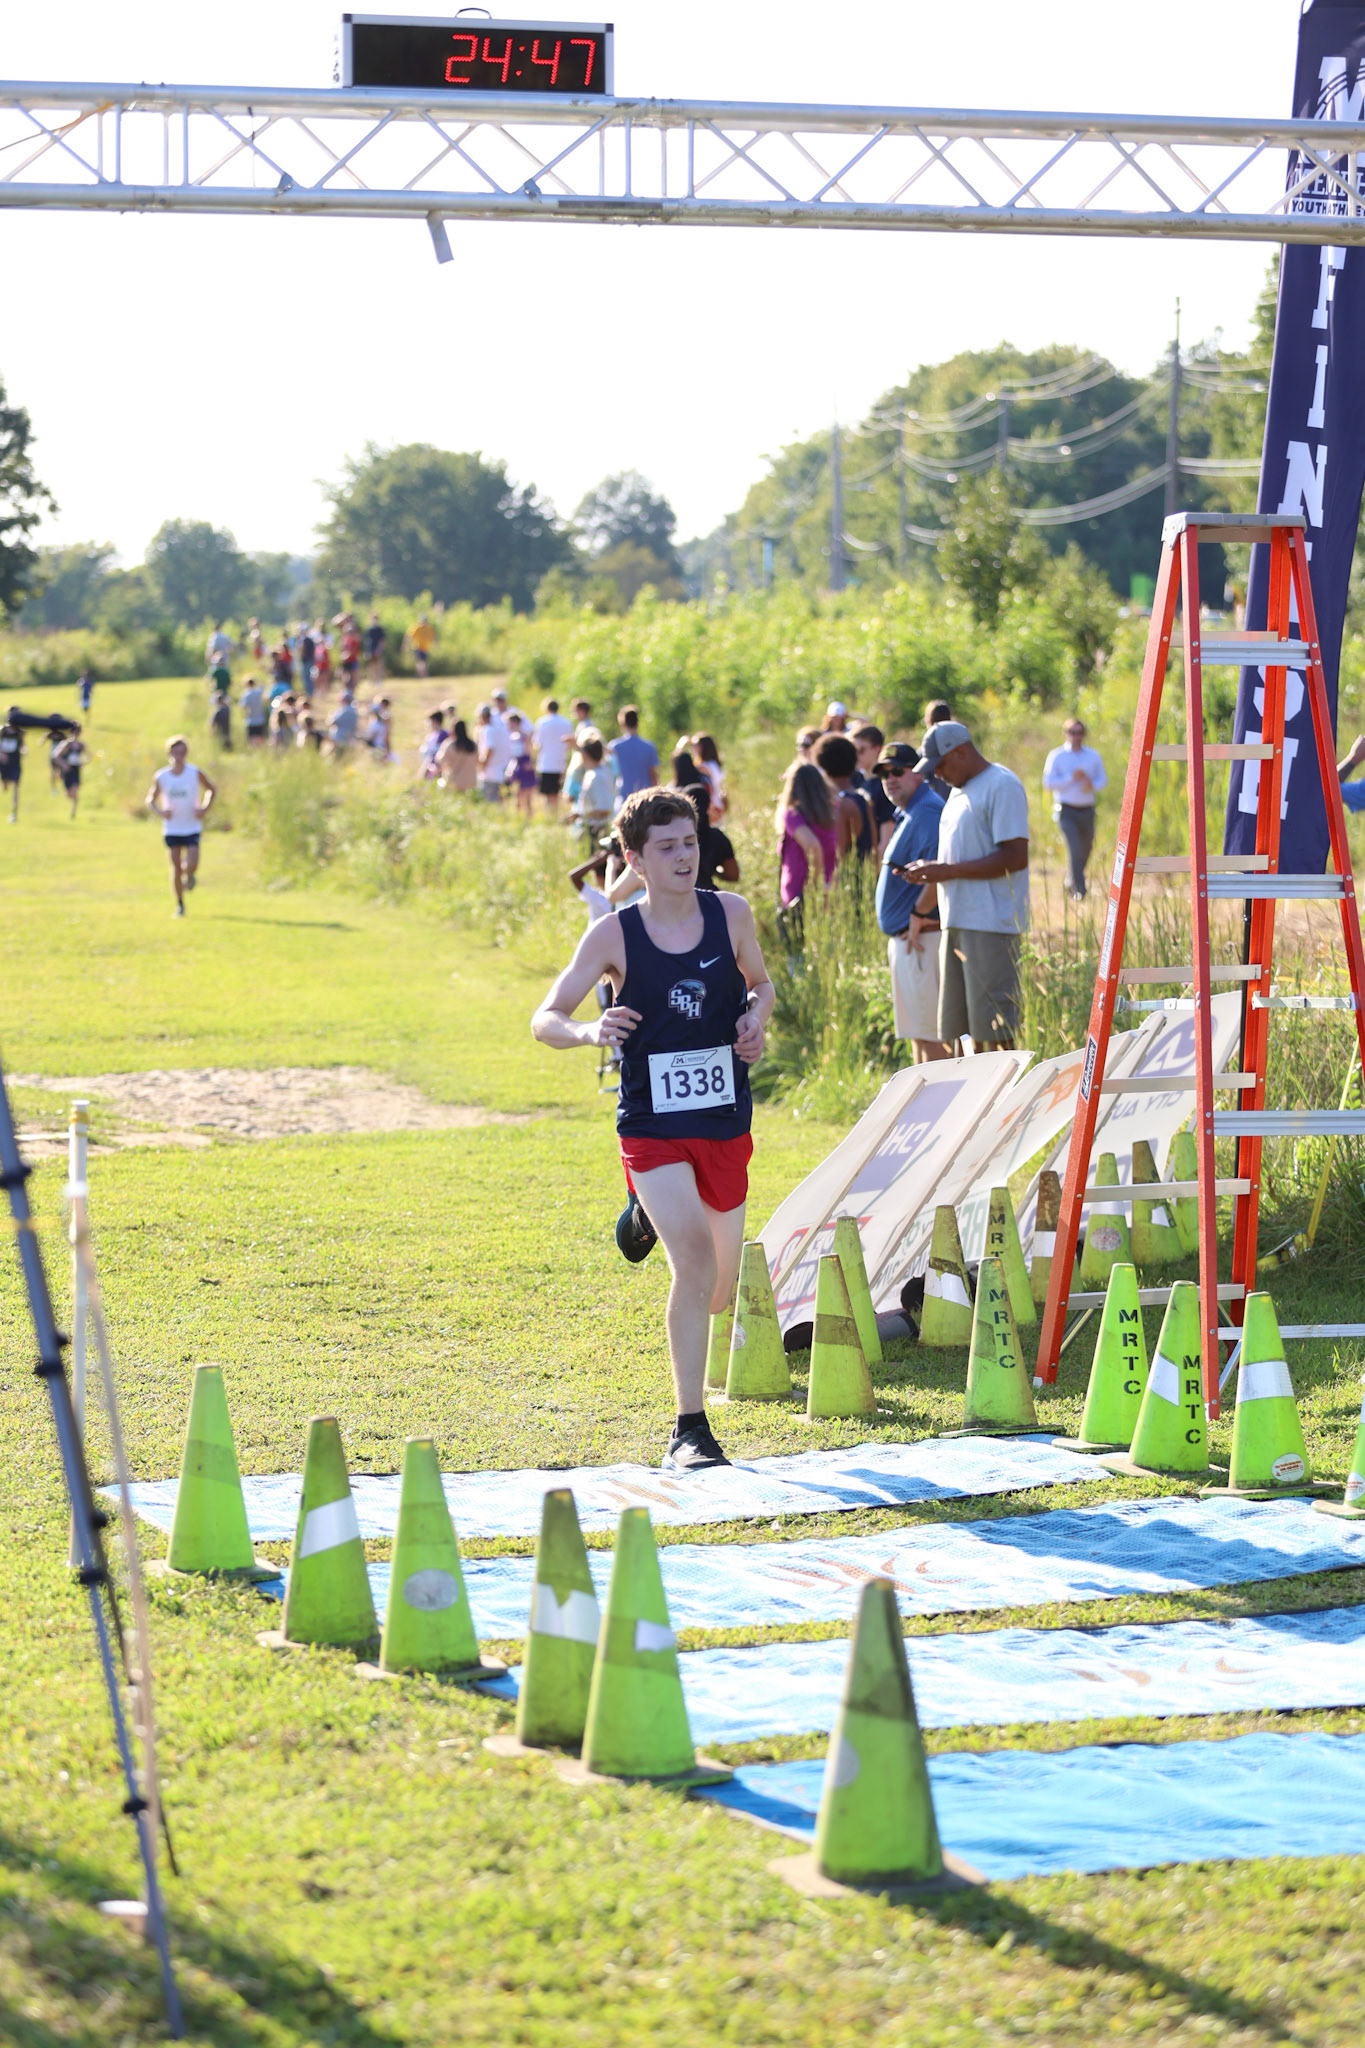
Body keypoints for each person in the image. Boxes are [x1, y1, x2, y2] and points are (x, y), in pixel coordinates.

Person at [531, 787, 775, 1473]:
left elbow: (760, 983)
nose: (683, 857)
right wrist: (587, 1029)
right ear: (634, 860)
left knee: (720, 1292)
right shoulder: (613, 932)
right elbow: (544, 1017)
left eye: (690, 843)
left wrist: (755, 1018)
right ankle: (689, 1429)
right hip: (651, 1125)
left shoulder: (730, 913)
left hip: (724, 1120)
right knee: (692, 1265)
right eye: (666, 848)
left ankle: (643, 1213)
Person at [897, 720, 1029, 1053]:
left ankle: (1003, 1103)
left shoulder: (1002, 785)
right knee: (960, 1034)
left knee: (994, 1031)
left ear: (961, 751)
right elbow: (957, 860)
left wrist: (947, 870)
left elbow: (1015, 856)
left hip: (990, 926)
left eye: (939, 764)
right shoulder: (957, 793)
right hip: (957, 924)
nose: (936, 774)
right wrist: (932, 872)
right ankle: (973, 1103)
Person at [873, 742, 950, 1062]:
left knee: (932, 1039)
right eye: (883, 773)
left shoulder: (927, 811)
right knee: (918, 1037)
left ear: (917, 772)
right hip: (911, 939)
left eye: (897, 771)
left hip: (921, 938)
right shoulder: (911, 812)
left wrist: (918, 914)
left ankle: (950, 1111)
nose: (889, 779)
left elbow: (938, 867)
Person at [146, 736, 216, 916]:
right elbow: (150, 800)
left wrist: (204, 808)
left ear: (186, 753)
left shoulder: (194, 772)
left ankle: (190, 875)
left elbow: (211, 789)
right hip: (172, 827)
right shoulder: (161, 776)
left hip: (192, 826)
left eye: (182, 752)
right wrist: (161, 812)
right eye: (175, 752)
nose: (179, 756)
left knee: (191, 864)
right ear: (169, 753)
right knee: (175, 867)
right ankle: (180, 904)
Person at [1043, 718, 1107, 900]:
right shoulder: (1057, 756)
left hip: (1087, 809)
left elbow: (1102, 780)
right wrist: (1071, 778)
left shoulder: (1093, 756)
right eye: (1072, 732)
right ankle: (1079, 890)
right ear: (1066, 733)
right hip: (1066, 810)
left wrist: (1091, 784)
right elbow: (1048, 783)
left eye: (1080, 732)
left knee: (1086, 849)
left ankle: (1070, 879)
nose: (1076, 736)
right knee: (1074, 849)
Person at [776, 759, 838, 935]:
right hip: (830, 886)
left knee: (797, 950)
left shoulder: (793, 814)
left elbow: (813, 846)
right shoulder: (831, 811)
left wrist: (814, 886)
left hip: (801, 890)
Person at [813, 732, 874, 867]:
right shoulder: (863, 798)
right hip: (864, 877)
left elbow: (838, 854)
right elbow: (873, 846)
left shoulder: (841, 804)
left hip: (847, 881)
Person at [851, 723, 897, 854]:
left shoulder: (885, 784)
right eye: (852, 750)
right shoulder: (856, 780)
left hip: (873, 865)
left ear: (877, 749)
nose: (856, 755)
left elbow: (885, 841)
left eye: (861, 750)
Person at [686, 783, 740, 891]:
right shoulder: (717, 837)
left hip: (681, 897)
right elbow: (733, 874)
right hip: (709, 894)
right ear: (709, 805)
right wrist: (715, 871)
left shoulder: (677, 837)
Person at [609, 705, 660, 802]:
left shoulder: (615, 747)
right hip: (646, 797)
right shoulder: (649, 747)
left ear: (622, 724)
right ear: (637, 723)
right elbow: (653, 775)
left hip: (624, 796)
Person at [533, 696, 575, 814]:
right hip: (560, 761)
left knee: (547, 794)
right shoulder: (567, 723)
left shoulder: (542, 722)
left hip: (546, 762)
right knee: (555, 793)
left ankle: (549, 815)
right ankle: (555, 814)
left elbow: (537, 744)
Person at [575, 735, 616, 844]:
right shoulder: (598, 772)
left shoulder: (597, 776)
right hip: (592, 828)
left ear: (585, 755)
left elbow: (605, 809)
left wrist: (580, 815)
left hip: (597, 830)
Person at [476, 699, 511, 800]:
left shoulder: (487, 730)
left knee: (491, 800)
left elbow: (490, 749)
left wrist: (483, 764)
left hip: (491, 771)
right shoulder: (500, 728)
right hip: (502, 769)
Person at [506, 711, 537, 817]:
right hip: (517, 765)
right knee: (517, 794)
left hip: (524, 765)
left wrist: (529, 762)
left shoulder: (524, 736)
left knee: (527, 795)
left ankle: (528, 816)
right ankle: (518, 817)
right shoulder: (512, 736)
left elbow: (529, 751)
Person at [436, 718, 479, 791]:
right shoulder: (473, 745)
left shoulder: (450, 744)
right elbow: (477, 760)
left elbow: (440, 759)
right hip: (471, 782)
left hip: (455, 782)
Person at [691, 732, 727, 820]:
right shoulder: (713, 764)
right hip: (716, 804)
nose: (692, 748)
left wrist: (680, 746)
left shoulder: (705, 766)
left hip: (711, 807)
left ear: (703, 747)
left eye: (695, 745)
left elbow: (681, 764)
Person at [0, 720, 22, 822]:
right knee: (5, 783)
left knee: (16, 786)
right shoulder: (2, 730)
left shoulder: (19, 732)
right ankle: (4, 784)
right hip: (4, 761)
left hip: (15, 761)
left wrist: (24, 751)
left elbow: (22, 745)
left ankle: (14, 813)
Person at [420, 709, 449, 779]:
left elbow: (441, 754)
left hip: (437, 770)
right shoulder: (432, 735)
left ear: (435, 721)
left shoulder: (443, 734)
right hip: (429, 768)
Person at [239, 675, 267, 746]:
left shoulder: (246, 695)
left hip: (251, 720)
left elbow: (243, 706)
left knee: (252, 740)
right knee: (261, 739)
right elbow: (263, 686)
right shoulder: (258, 692)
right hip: (260, 719)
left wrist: (246, 713)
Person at [406, 613, 436, 679]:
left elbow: (433, 637)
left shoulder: (429, 628)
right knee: (421, 662)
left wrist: (435, 644)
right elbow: (408, 636)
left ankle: (420, 675)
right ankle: (424, 675)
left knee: (424, 662)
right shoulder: (416, 627)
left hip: (425, 648)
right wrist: (406, 645)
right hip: (417, 647)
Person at [364, 611, 386, 683]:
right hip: (370, 649)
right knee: (370, 665)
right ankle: (371, 679)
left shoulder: (379, 629)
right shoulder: (368, 629)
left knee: (378, 665)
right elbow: (367, 640)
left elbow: (382, 640)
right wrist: (366, 651)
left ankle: (379, 680)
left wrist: (379, 649)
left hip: (377, 649)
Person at [297, 624, 316, 699]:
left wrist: (301, 657)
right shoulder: (311, 640)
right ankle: (310, 693)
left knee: (306, 677)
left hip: (306, 661)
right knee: (309, 677)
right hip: (310, 660)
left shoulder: (304, 640)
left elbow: (302, 651)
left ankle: (309, 693)